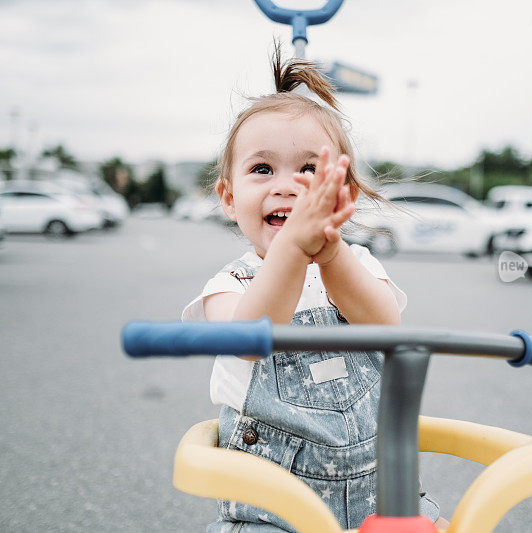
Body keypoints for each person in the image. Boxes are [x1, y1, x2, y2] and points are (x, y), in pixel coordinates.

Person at [182, 47, 446, 532]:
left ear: (341, 190)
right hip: (270, 510)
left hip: (382, 500)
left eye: (309, 170)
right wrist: (291, 252)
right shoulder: (229, 285)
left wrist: (329, 256)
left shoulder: (356, 264)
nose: (287, 186)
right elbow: (248, 338)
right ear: (228, 196)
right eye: (262, 169)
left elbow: (385, 325)